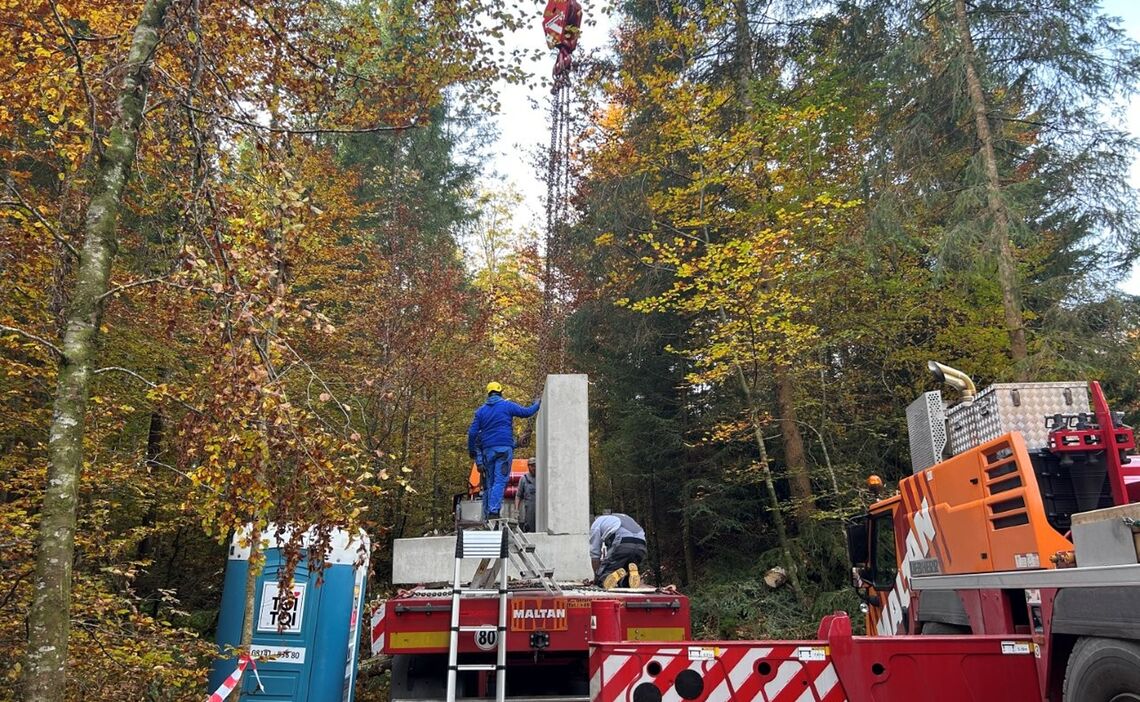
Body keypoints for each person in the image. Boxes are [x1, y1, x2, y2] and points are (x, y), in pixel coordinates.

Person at [467, 382, 540, 523]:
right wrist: (537, 404)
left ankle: (488, 514)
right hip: (504, 450)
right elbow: (526, 412)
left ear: (488, 394)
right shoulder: (507, 406)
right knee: (500, 481)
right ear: (500, 392)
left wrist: (472, 452)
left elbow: (472, 433)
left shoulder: (480, 412)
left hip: (488, 451)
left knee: (490, 483)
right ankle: (493, 511)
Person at [589, 512, 646, 589]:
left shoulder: (596, 523)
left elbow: (595, 554)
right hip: (641, 545)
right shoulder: (623, 517)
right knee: (624, 570)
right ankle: (628, 579)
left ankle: (604, 579)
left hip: (623, 542)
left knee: (604, 576)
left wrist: (597, 577)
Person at [515, 458, 538, 533]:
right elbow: (518, 496)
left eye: (535, 465)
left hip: (541, 511)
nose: (534, 468)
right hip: (529, 511)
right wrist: (516, 511)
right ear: (528, 466)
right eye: (532, 466)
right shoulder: (524, 479)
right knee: (529, 530)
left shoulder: (542, 478)